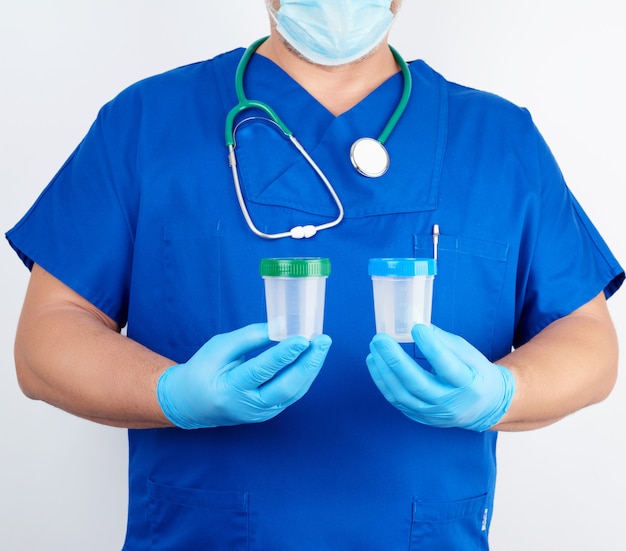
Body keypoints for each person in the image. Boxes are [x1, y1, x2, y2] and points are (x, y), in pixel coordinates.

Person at [6, 0, 623, 549]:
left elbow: (588, 341)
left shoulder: (498, 140)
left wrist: (503, 393)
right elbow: (45, 342)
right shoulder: (146, 123)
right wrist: (170, 393)